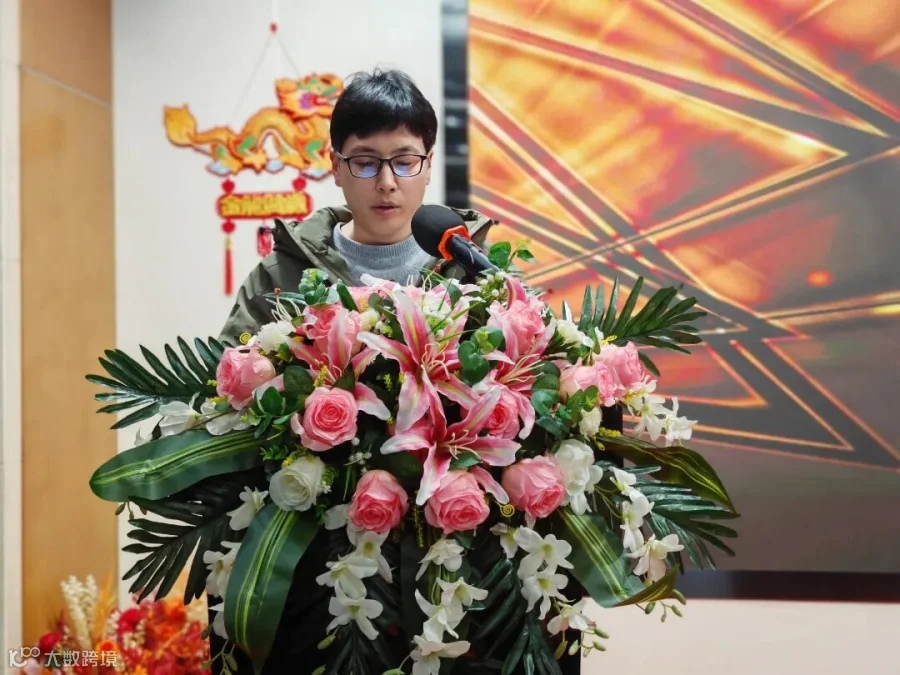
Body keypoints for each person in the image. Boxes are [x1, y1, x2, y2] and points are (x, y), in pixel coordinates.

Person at [209, 68, 584, 675]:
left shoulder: (473, 271)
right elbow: (224, 395)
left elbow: (543, 383)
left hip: (459, 570)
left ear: (428, 165)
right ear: (335, 166)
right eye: (364, 162)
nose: (386, 182)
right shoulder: (282, 276)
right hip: (322, 573)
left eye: (404, 161)